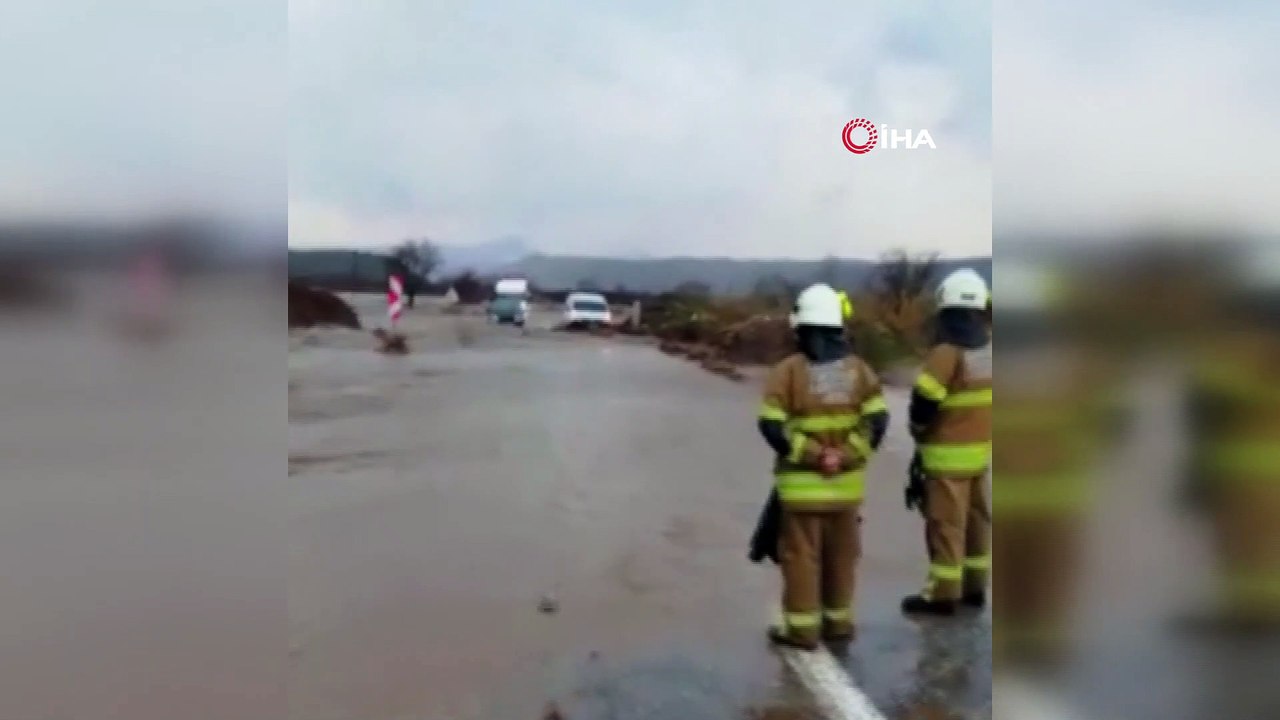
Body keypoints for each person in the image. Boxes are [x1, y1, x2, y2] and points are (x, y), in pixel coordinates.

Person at [756, 283, 890, 649]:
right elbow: (877, 423)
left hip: (800, 492)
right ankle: (839, 625)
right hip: (845, 491)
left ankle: (801, 630)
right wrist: (843, 456)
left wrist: (814, 455)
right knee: (842, 558)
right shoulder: (860, 371)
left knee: (801, 559)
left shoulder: (788, 371)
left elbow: (771, 425)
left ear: (801, 327)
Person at [902, 268, 993, 617]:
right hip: (979, 453)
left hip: (946, 456)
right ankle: (975, 588)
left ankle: (942, 594)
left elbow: (925, 401)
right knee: (976, 522)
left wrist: (917, 428)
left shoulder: (946, 353)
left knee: (946, 526)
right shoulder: (988, 350)